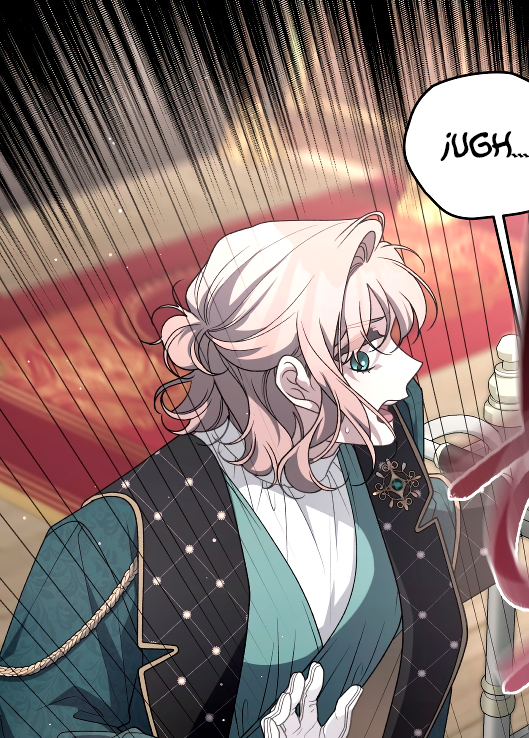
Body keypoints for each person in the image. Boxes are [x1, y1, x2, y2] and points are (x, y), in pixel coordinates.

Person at [0, 219, 473, 738]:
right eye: (362, 356)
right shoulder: (112, 541)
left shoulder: (386, 429)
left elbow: (424, 593)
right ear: (293, 381)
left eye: (389, 341)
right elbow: (35, 715)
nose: (407, 371)